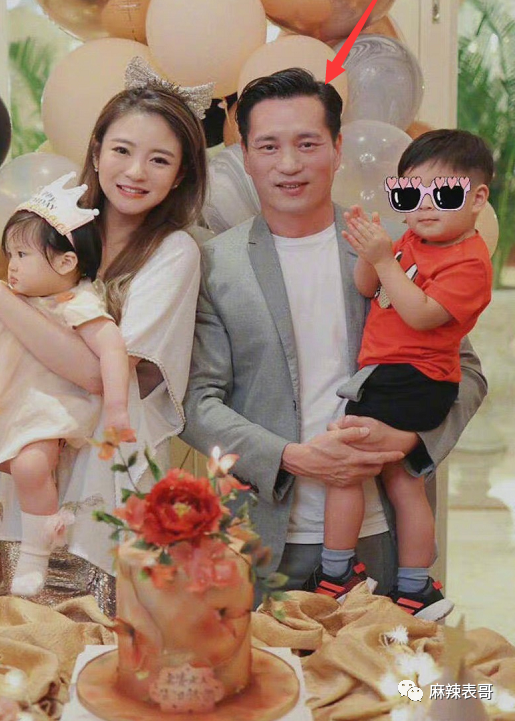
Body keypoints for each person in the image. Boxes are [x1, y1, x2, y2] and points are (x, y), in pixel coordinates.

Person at [182, 68, 487, 617]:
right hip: (261, 538)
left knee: (393, 671)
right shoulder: (214, 265)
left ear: (338, 148)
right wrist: (293, 458)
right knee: (268, 674)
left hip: (384, 533)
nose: (289, 164)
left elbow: (466, 372)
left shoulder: (390, 248)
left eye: (307, 143)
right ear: (245, 155)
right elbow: (196, 403)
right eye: (269, 146)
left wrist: (408, 440)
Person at [0, 63, 209, 612]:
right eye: (122, 150)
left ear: (181, 175)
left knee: (100, 628)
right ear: (96, 151)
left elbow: (99, 374)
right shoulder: (52, 229)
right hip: (32, 453)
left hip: (104, 471)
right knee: (30, 626)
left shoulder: (173, 253)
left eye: (160, 159)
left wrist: (3, 300)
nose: (136, 171)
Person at [0, 174, 134, 597]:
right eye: (10, 254)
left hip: (43, 408)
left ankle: (36, 555)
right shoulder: (9, 295)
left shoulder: (75, 303)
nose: (12, 265)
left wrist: (117, 407)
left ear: (66, 263)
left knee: (32, 467)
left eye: (22, 254)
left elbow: (111, 347)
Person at [310, 130, 492, 621]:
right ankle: (415, 588)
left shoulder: (470, 262)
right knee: (403, 483)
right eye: (410, 194)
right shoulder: (413, 240)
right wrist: (372, 254)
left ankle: (336, 574)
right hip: (394, 375)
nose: (425, 205)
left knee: (345, 465)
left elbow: (421, 314)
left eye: (444, 193)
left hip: (413, 379)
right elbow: (366, 287)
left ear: (477, 199)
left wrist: (383, 259)